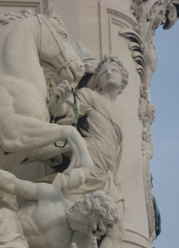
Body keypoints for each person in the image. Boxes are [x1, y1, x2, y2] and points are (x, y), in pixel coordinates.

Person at [47, 54, 129, 203]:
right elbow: (60, 110)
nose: (109, 73)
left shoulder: (120, 114)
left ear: (123, 80)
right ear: (98, 81)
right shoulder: (90, 96)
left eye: (114, 71)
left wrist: (116, 176)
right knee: (66, 203)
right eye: (104, 72)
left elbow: (116, 148)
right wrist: (60, 99)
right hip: (89, 161)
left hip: (106, 173)